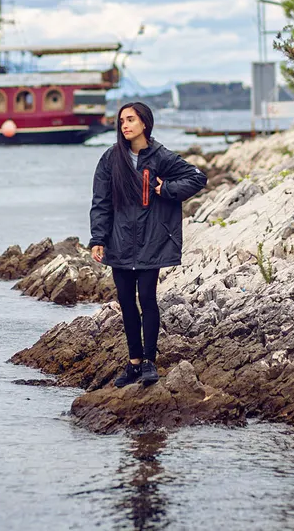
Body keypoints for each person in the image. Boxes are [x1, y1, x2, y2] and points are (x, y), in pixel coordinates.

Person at [89, 102, 206, 387]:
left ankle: (150, 363)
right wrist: (98, 239)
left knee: (148, 300)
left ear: (145, 123)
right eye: (121, 121)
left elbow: (197, 178)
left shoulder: (159, 156)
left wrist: (164, 189)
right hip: (118, 242)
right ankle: (133, 364)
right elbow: (101, 203)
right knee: (127, 304)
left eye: (130, 119)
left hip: (150, 242)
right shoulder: (110, 159)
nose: (125, 125)